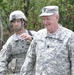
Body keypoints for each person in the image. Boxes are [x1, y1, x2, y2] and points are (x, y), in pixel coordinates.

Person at [20, 6, 74, 75]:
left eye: (48, 19)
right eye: (43, 19)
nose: (45, 22)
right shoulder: (38, 35)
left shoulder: (69, 36)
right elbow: (29, 60)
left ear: (57, 17)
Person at [0, 10, 36, 75]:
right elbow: (2, 61)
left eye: (18, 21)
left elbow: (44, 51)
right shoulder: (10, 41)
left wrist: (32, 39)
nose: (16, 24)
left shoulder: (34, 35)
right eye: (14, 22)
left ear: (23, 22)